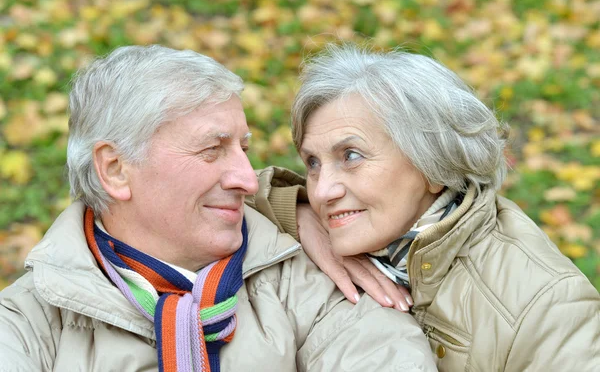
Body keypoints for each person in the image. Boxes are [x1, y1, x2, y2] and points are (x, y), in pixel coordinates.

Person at [0, 45, 437, 371]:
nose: (247, 179)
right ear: (115, 170)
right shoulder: (27, 322)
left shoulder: (315, 279)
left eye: (244, 148)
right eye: (212, 149)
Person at [259, 43, 600, 371]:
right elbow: (218, 191)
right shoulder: (325, 229)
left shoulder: (544, 305)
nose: (321, 192)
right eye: (313, 163)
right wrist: (296, 211)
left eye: (351, 156)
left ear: (431, 165)